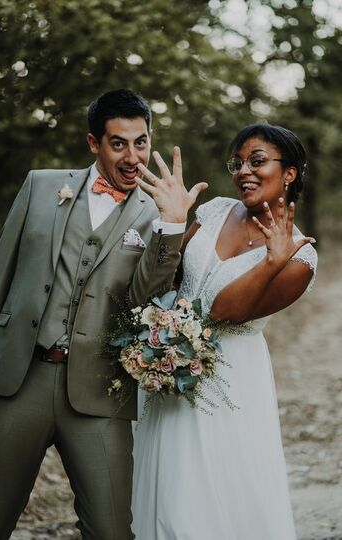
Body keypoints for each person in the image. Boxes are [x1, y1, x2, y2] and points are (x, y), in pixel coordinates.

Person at [0, 89, 207, 540]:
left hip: (100, 392)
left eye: (140, 142)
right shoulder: (42, 186)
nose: (131, 156)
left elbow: (145, 299)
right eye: (118, 143)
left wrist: (173, 227)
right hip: (16, 380)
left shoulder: (156, 215)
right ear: (93, 143)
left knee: (110, 529)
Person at [132, 123, 318, 539]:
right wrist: (173, 222)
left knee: (208, 494)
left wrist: (272, 263)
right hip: (167, 363)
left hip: (229, 382)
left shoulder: (301, 259)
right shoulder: (214, 210)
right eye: (237, 163)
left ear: (289, 172)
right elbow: (165, 284)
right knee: (165, 489)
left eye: (257, 161)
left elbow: (223, 311)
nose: (243, 172)